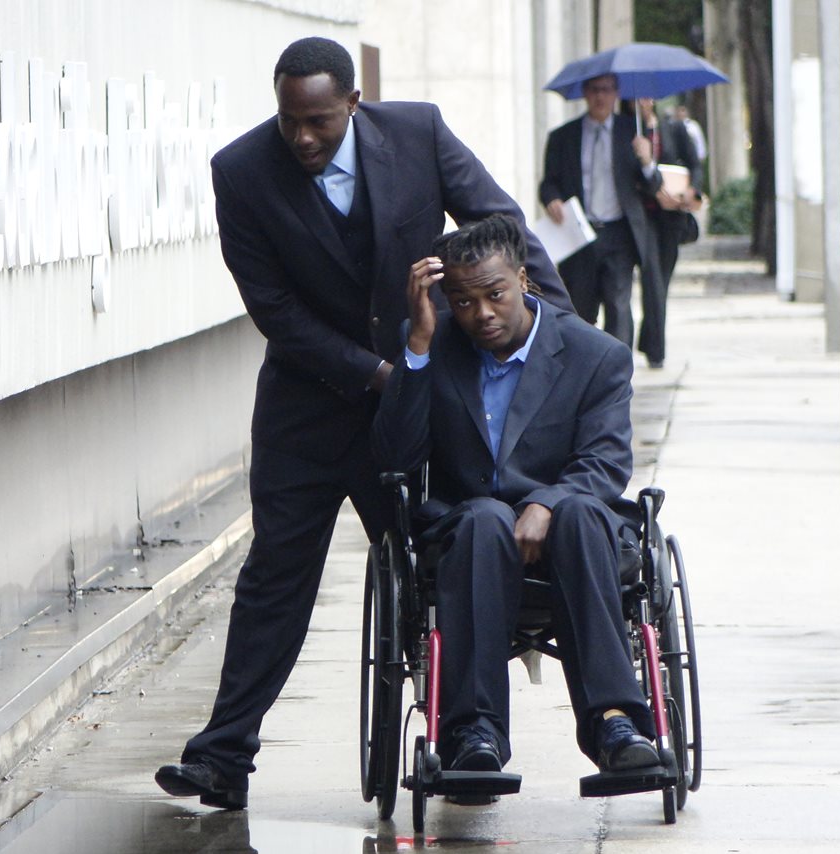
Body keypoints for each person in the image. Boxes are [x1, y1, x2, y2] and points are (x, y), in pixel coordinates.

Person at [154, 37, 570, 809]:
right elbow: (274, 311)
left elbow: (498, 225)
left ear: (352, 103)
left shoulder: (418, 134)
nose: (303, 137)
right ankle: (222, 757)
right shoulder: (241, 173)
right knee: (275, 578)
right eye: (289, 122)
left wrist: (564, 332)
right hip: (308, 413)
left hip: (415, 406)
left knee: (440, 562)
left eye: (318, 120)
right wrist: (383, 375)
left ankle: (460, 740)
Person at [372, 215, 659, 778]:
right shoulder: (437, 342)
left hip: (574, 531)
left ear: (524, 280)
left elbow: (606, 462)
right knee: (482, 521)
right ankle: (473, 731)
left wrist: (545, 502)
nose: (481, 314)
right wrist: (421, 342)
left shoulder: (594, 354)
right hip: (469, 532)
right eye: (462, 300)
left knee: (577, 511)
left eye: (495, 294)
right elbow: (396, 459)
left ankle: (615, 721)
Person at [539, 74, 663, 351]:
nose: (600, 97)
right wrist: (552, 199)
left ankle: (616, 374)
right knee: (579, 310)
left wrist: (646, 161)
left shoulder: (632, 132)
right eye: (594, 90)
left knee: (618, 306)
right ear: (585, 92)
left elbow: (654, 186)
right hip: (579, 234)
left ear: (616, 93)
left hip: (619, 233)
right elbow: (548, 183)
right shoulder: (563, 136)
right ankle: (582, 371)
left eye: (607, 90)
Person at [635, 97, 703, 369]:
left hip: (671, 218)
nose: (643, 103)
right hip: (643, 217)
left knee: (662, 278)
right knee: (652, 278)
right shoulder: (630, 133)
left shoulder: (673, 128)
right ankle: (656, 351)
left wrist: (692, 191)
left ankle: (649, 338)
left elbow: (695, 165)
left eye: (647, 98)